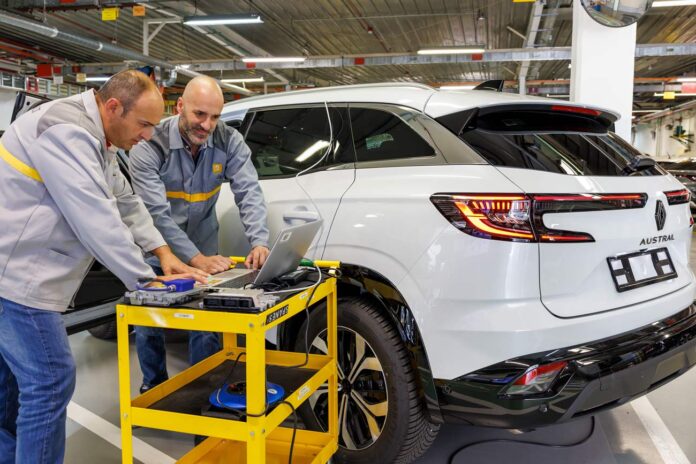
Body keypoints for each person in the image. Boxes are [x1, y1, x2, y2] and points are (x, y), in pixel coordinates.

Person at [0, 70, 206, 464]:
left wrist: (163, 252)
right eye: (144, 124)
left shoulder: (98, 137)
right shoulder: (66, 131)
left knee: (11, 388)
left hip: (19, 273)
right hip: (17, 281)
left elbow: (125, 200)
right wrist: (148, 283)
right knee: (50, 381)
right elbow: (96, 217)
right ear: (113, 106)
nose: (148, 135)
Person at [129, 75, 270, 393]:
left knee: (206, 323)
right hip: (156, 248)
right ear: (180, 106)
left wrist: (259, 240)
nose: (207, 125)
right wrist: (194, 259)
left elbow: (249, 191)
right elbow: (156, 215)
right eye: (199, 115)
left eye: (216, 116)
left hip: (204, 244)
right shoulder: (150, 144)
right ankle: (153, 385)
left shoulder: (228, 141)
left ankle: (202, 387)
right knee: (150, 321)